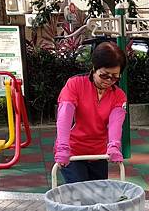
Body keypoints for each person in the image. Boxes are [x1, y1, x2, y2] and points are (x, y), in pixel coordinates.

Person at [54, 41, 127, 183]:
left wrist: (114, 145)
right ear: (94, 68)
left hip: (98, 153)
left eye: (115, 77)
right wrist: (63, 147)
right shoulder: (75, 84)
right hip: (72, 150)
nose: (109, 81)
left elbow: (115, 124)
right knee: (78, 192)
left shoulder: (118, 95)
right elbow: (65, 116)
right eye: (105, 75)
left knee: (98, 194)